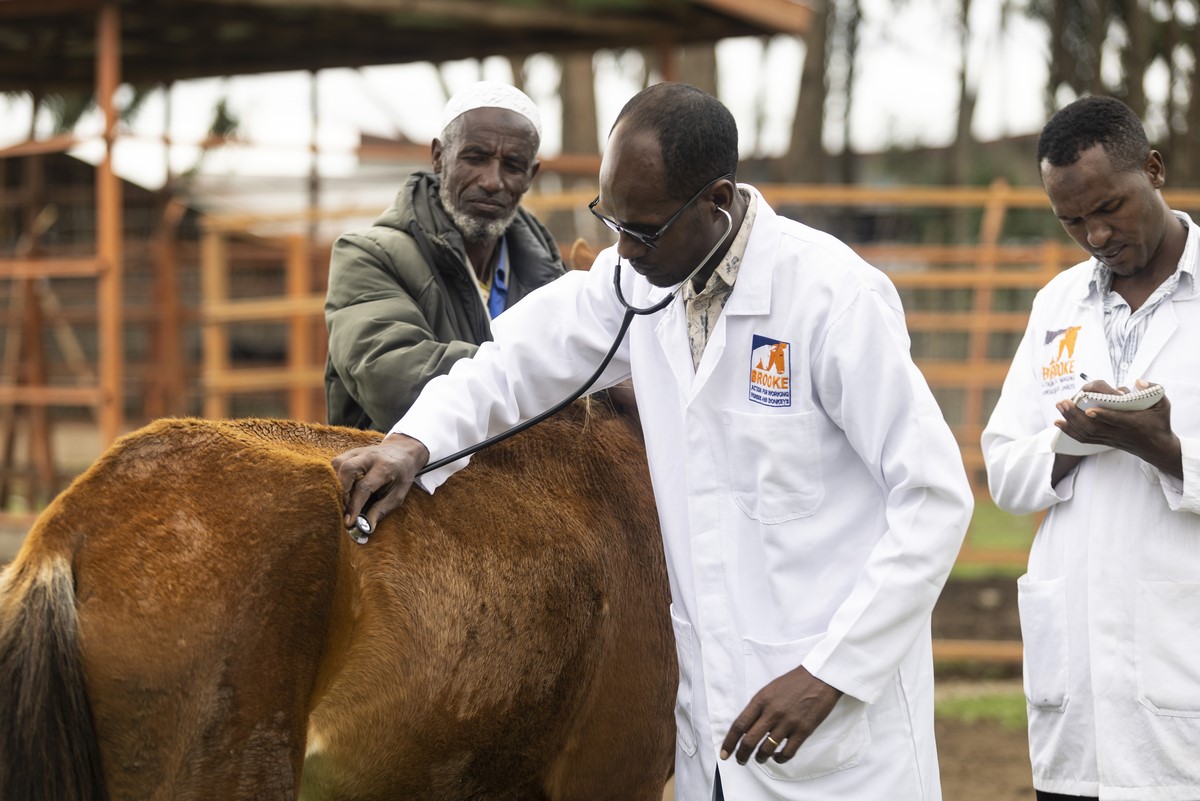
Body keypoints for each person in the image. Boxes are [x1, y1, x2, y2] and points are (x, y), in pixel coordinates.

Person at [332, 82, 973, 800]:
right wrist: (414, 443)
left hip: (833, 725)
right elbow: (509, 364)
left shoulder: (832, 299)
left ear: (717, 201)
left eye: (645, 228)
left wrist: (831, 670)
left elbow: (934, 499)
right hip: (714, 723)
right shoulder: (638, 284)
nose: (622, 248)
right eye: (611, 219)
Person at [981, 95, 1200, 801]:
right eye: (1072, 220)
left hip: (1182, 673)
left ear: (1155, 171)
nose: (1096, 233)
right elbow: (1006, 471)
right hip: (1076, 695)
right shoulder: (1056, 305)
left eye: (1110, 206)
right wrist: (1076, 442)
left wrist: (1168, 451)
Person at [324, 81, 566, 429]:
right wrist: (549, 373)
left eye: (513, 165)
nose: (492, 181)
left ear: (531, 175)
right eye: (475, 158)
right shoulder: (366, 255)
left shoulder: (550, 274)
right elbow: (395, 382)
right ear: (438, 157)